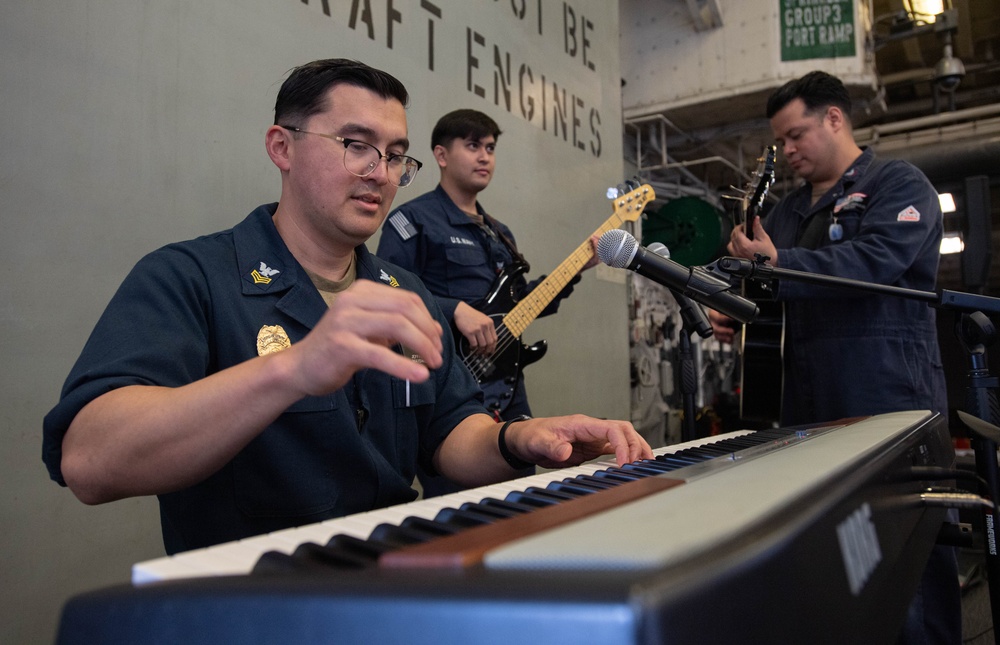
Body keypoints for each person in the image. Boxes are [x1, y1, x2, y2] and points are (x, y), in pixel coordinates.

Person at [42, 59, 651, 555]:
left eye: (394, 155)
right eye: (356, 145)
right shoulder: (191, 277)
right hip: (251, 609)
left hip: (390, 586)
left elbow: (446, 436)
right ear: (282, 146)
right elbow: (91, 461)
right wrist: (293, 370)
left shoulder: (405, 294)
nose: (379, 173)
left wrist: (523, 439)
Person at [711, 71, 959, 644]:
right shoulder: (789, 210)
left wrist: (777, 267)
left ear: (834, 118)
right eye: (779, 143)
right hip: (809, 406)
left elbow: (876, 263)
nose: (788, 151)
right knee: (838, 558)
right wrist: (737, 307)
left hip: (889, 398)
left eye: (795, 135)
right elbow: (768, 289)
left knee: (909, 557)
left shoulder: (899, 184)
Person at [376, 108, 599, 495]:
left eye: (491, 148)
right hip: (448, 381)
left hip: (507, 381)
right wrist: (453, 310)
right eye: (473, 145)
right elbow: (385, 290)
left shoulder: (501, 233)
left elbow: (522, 309)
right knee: (455, 501)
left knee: (518, 492)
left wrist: (578, 267)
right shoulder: (412, 219)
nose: (484, 157)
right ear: (442, 155)